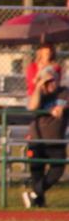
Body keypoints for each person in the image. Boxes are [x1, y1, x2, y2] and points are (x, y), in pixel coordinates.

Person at [25, 66, 68, 208]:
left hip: (55, 141)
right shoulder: (39, 94)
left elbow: (62, 106)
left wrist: (61, 108)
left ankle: (33, 193)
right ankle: (39, 203)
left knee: (58, 169)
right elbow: (32, 107)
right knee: (37, 171)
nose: (51, 84)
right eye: (47, 81)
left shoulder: (63, 93)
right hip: (36, 140)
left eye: (53, 80)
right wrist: (38, 86)